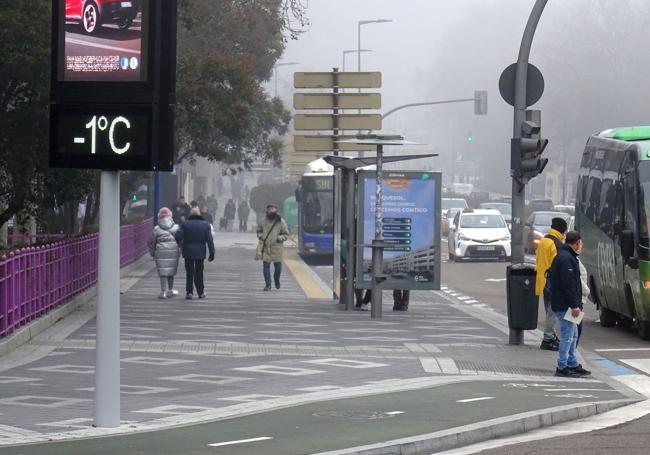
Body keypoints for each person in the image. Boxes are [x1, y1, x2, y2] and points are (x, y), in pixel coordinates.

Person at [549, 231, 591, 378]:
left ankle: (572, 363)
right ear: (577, 243)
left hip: (567, 304)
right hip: (565, 305)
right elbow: (569, 285)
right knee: (567, 336)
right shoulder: (567, 259)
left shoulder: (566, 256)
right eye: (581, 244)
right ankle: (562, 366)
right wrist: (574, 306)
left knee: (573, 335)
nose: (581, 246)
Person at [535, 217, 568, 351]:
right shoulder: (556, 244)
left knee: (549, 310)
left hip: (542, 280)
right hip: (552, 282)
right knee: (552, 312)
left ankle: (551, 335)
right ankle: (548, 338)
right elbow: (558, 264)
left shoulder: (544, 240)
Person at [175, 207, 215, 300]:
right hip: (200, 252)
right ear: (199, 214)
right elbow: (210, 240)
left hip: (188, 251)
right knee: (199, 272)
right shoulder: (206, 225)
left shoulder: (185, 224)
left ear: (190, 214)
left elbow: (178, 236)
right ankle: (201, 292)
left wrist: (181, 244)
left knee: (189, 272)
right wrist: (212, 253)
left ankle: (189, 292)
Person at [149, 207, 180, 299]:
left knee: (163, 272)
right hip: (173, 251)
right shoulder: (176, 227)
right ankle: (170, 290)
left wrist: (152, 253)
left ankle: (163, 292)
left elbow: (152, 242)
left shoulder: (156, 229)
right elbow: (180, 240)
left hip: (160, 252)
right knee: (171, 271)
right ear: (170, 216)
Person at [256, 204, 289, 291]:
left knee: (278, 267)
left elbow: (286, 234)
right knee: (265, 266)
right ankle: (268, 285)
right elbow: (258, 231)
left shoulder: (281, 221)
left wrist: (279, 238)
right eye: (269, 209)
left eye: (273, 209)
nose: (271, 210)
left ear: (276, 210)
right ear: (267, 210)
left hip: (277, 248)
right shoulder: (263, 221)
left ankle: (276, 279)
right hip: (266, 248)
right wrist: (260, 236)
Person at [577, 256, 590, 346]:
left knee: (574, 330)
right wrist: (586, 291)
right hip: (575, 302)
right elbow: (577, 279)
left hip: (577, 301)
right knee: (574, 331)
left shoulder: (572, 258)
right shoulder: (571, 260)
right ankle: (570, 356)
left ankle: (571, 355)